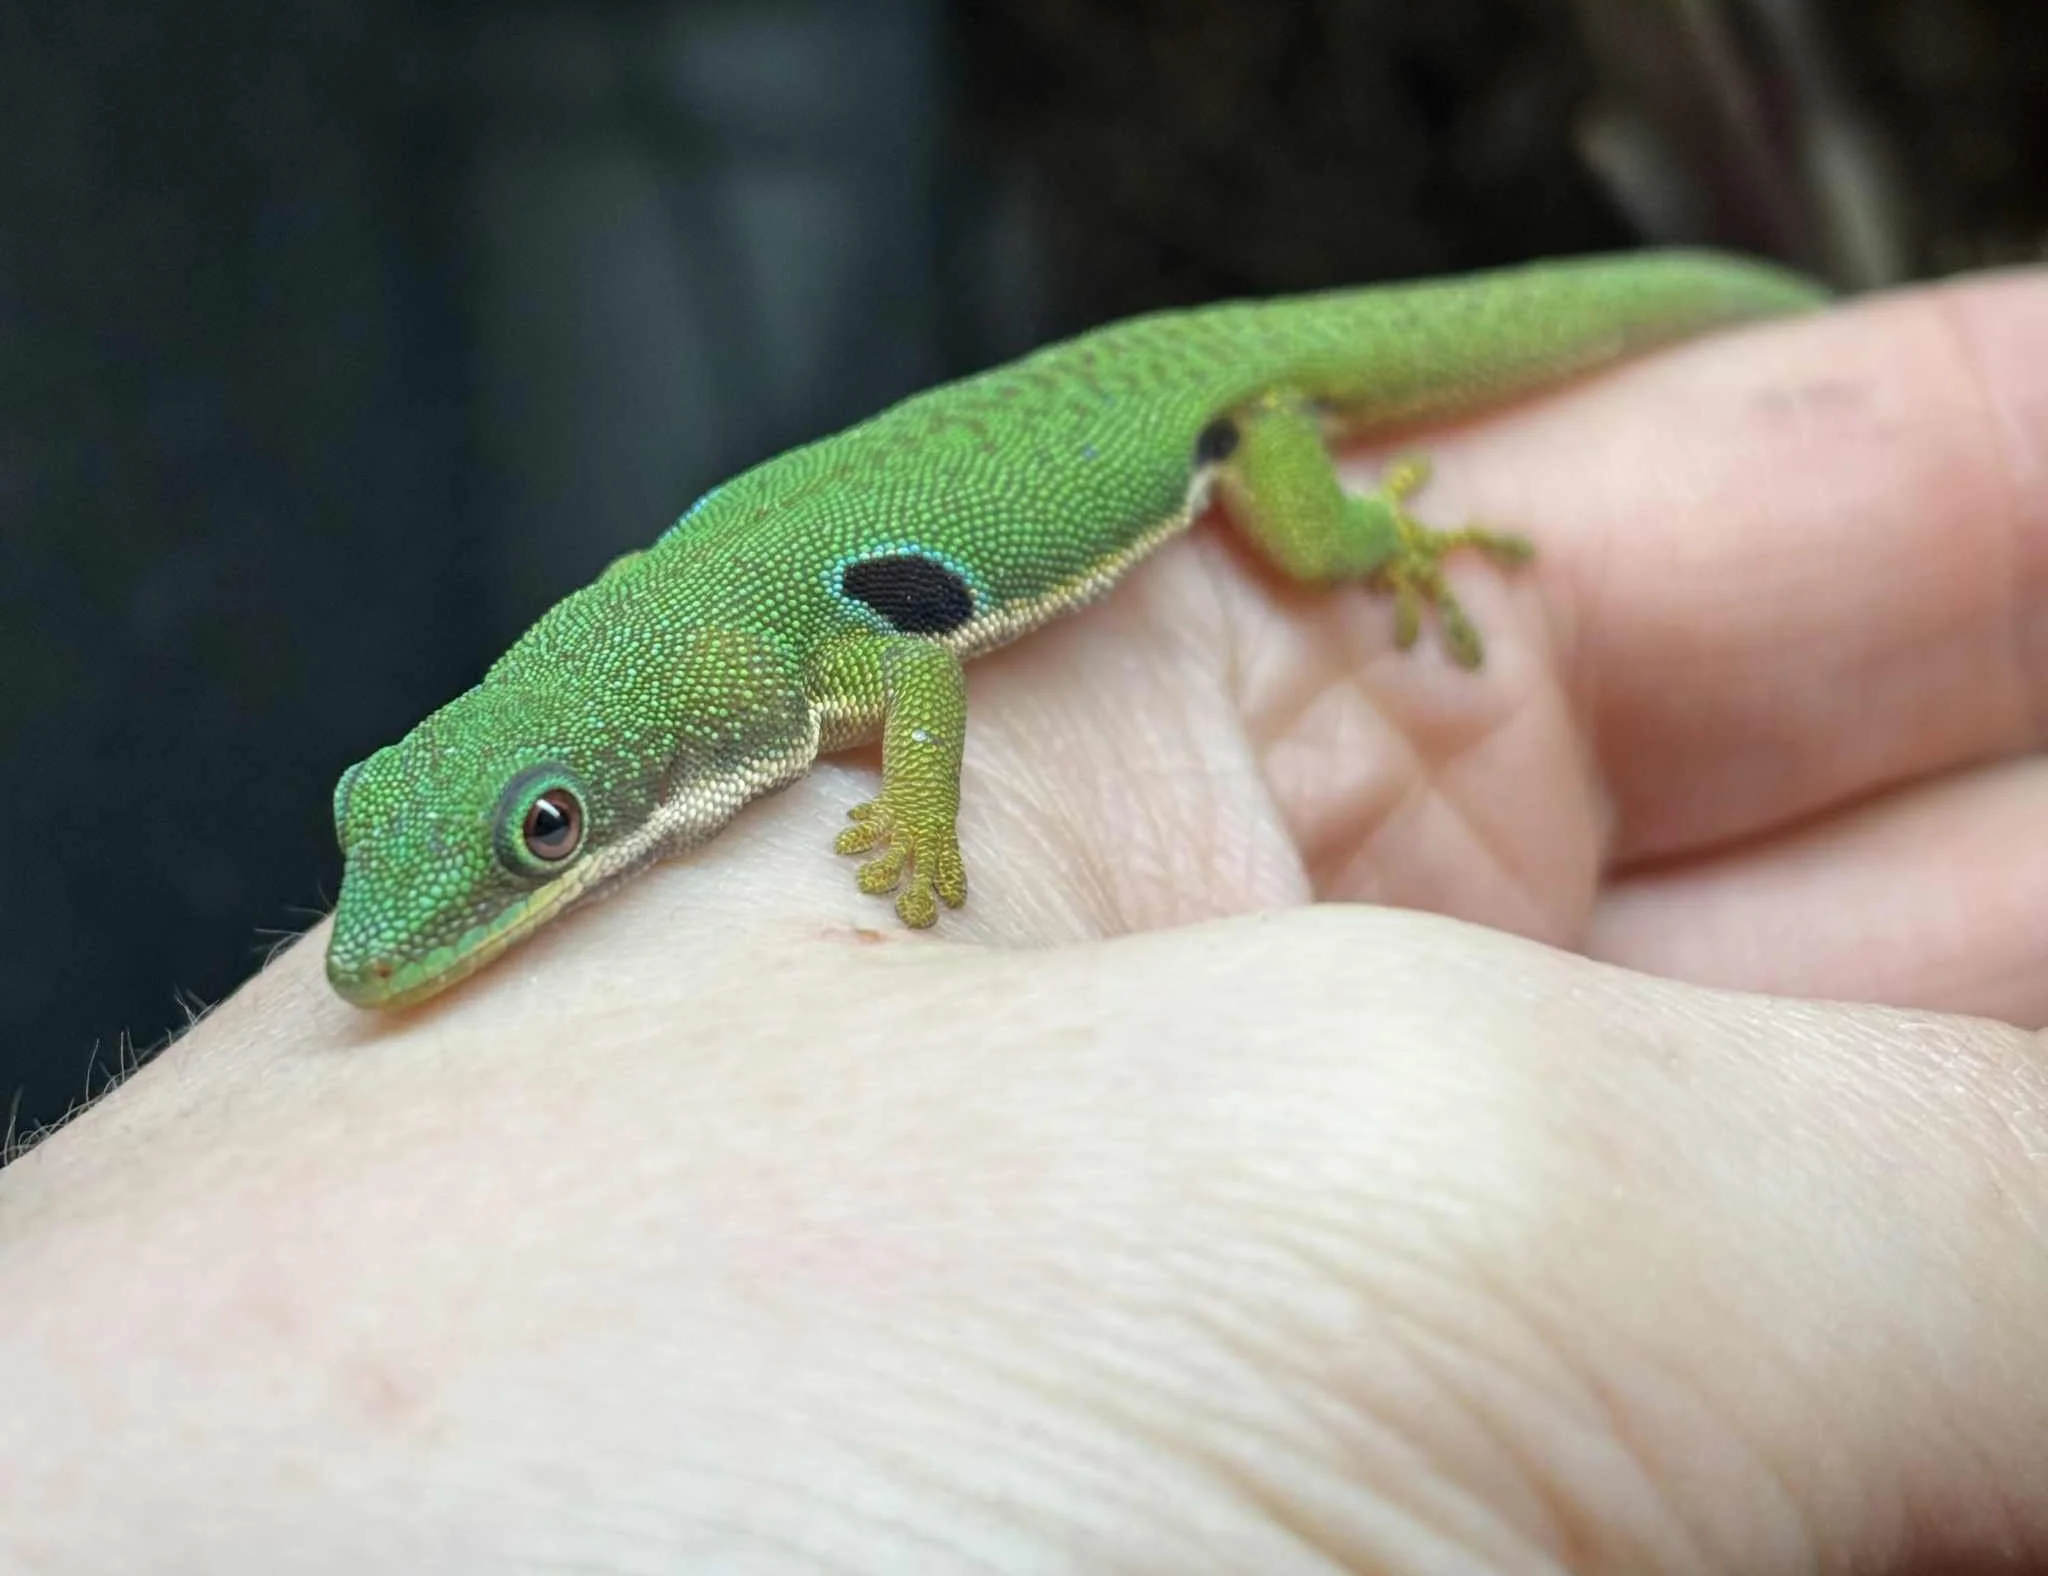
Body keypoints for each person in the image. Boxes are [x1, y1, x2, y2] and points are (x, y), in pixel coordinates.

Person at [5, 270, 2045, 1571]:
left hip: (1234, 419)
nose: (396, 938)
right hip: (1055, 407)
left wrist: (914, 836)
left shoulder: (743, 679)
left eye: (535, 831)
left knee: (1380, 469)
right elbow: (415, 899)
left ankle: (1441, 478)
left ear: (610, 788)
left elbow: (913, 678)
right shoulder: (647, 662)